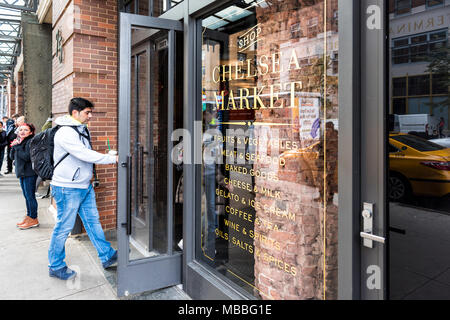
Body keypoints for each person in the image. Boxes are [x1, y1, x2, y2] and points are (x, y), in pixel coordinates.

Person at [48, 97, 118, 281]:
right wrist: (111, 159)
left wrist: (106, 156)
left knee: (93, 222)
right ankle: (55, 266)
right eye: (87, 112)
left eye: (90, 112)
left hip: (83, 186)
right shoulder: (65, 132)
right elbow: (83, 154)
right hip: (67, 188)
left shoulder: (81, 129)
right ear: (75, 113)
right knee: (63, 227)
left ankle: (107, 255)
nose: (90, 116)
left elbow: (85, 155)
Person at [10, 123, 40, 229]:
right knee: (26, 196)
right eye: (20, 130)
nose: (22, 132)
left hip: (30, 173)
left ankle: (34, 218)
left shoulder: (31, 142)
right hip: (22, 173)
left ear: (31, 132)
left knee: (30, 196)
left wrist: (17, 147)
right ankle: (29, 216)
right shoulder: (20, 141)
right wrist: (13, 147)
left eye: (26, 130)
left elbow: (27, 157)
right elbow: (11, 157)